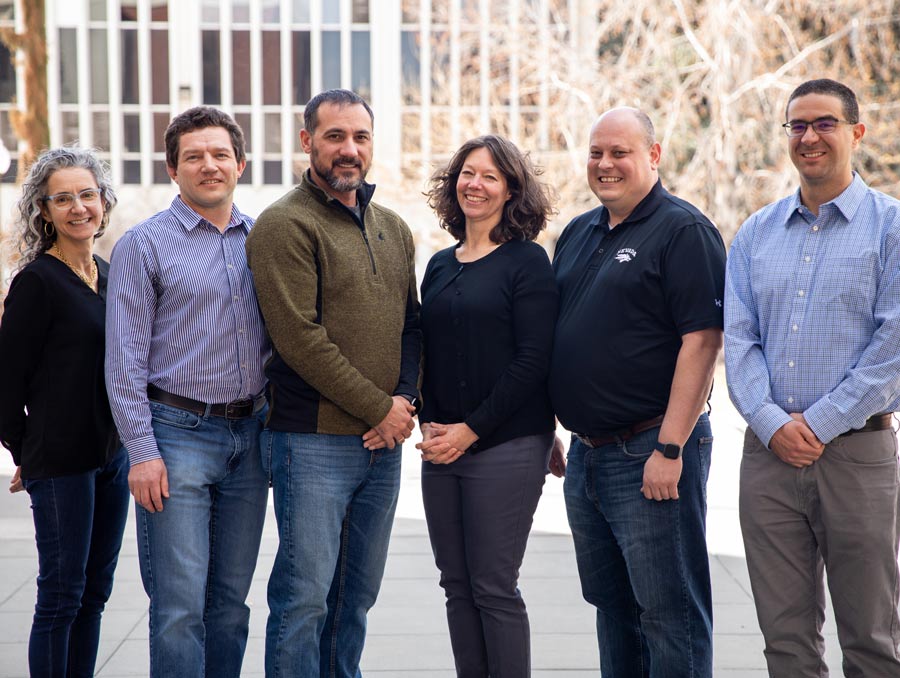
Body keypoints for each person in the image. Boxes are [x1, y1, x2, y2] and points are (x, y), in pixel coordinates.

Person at [725, 78, 900, 677]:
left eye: (824, 123)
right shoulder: (755, 234)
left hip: (858, 455)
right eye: (797, 125)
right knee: (786, 642)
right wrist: (774, 425)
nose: (809, 137)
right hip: (769, 459)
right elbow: (740, 344)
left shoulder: (890, 228)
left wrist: (819, 424)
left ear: (856, 132)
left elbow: (893, 350)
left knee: (873, 639)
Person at [245, 89, 421, 678]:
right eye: (335, 137)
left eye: (360, 137)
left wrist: (404, 403)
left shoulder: (393, 228)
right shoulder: (282, 225)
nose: (349, 150)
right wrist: (381, 409)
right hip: (312, 444)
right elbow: (299, 340)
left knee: (356, 600)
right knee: (303, 599)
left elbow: (412, 327)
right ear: (307, 142)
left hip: (382, 447)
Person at [549, 107, 725, 678]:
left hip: (650, 451)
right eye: (596, 153)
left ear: (653, 155)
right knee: (613, 610)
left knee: (670, 615)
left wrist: (670, 450)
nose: (605, 164)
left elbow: (701, 341)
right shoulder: (579, 231)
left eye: (619, 152)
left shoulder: (684, 231)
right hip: (587, 455)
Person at [105, 107, 269, 678]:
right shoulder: (142, 246)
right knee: (178, 610)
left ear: (240, 164)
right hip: (177, 439)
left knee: (230, 606)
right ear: (173, 168)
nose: (209, 165)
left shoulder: (265, 241)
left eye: (220, 154)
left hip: (251, 438)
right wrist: (144, 453)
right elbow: (123, 363)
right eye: (194, 156)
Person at [416, 134, 565, 677]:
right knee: (456, 586)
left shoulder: (527, 262)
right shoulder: (438, 264)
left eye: (490, 177)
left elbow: (532, 361)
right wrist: (428, 419)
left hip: (506, 443)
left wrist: (469, 431)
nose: (475, 185)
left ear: (510, 191)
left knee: (493, 587)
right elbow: (428, 348)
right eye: (467, 174)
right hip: (442, 448)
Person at [0, 146, 128, 677]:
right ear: (43, 211)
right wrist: (25, 452)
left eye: (87, 195)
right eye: (62, 199)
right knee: (61, 595)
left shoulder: (108, 270)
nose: (79, 207)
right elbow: (7, 383)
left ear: (102, 201)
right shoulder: (37, 282)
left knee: (95, 593)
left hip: (114, 458)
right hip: (62, 462)